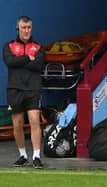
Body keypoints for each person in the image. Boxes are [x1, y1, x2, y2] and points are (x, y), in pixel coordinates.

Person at [3, 16, 45, 169]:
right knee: (18, 123)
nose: (27, 31)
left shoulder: (39, 47)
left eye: (29, 28)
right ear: (18, 29)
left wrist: (19, 60)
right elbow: (10, 62)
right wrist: (28, 57)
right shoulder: (9, 46)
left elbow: (39, 65)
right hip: (14, 89)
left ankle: (36, 156)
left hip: (33, 88)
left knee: (34, 120)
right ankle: (23, 155)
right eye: (23, 28)